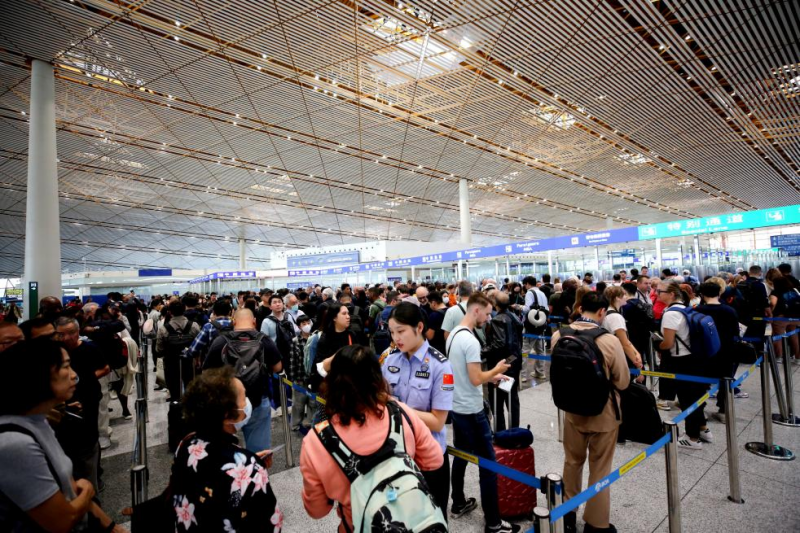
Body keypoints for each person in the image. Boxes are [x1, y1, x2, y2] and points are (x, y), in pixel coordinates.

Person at [300, 345, 444, 532]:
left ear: (332, 384)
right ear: (377, 378)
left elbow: (317, 510)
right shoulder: (399, 412)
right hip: (414, 521)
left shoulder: (317, 441)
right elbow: (434, 459)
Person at [0, 339, 126, 532]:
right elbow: (62, 521)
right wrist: (87, 491)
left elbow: (67, 486)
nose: (74, 375)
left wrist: (112, 527)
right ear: (37, 374)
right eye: (66, 367)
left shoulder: (39, 420)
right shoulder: (14, 442)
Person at [551, 292, 629, 533]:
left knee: (572, 461)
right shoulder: (609, 341)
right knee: (600, 468)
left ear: (580, 307)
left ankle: (567, 514)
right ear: (602, 312)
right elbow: (623, 381)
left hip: (571, 410)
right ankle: (596, 523)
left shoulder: (559, 335)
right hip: (603, 413)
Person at [169, 367, 282, 532]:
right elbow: (270, 524)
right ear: (228, 415)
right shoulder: (250, 469)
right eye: (243, 398)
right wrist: (250, 468)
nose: (247, 403)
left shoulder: (186, 444)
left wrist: (246, 464)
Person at [447, 292, 518, 533]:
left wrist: (491, 377)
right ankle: (494, 523)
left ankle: (458, 502)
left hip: (457, 405)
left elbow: (464, 374)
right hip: (472, 409)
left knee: (462, 454)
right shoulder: (471, 341)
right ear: (476, 310)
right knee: (488, 466)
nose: (488, 318)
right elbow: (476, 378)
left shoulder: (454, 334)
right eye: (487, 314)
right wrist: (495, 370)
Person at [383, 302, 454, 516]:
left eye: (401, 331)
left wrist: (396, 407)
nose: (396, 338)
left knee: (433, 519)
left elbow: (438, 422)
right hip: (396, 455)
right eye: (392, 332)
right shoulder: (390, 361)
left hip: (428, 458)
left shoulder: (440, 366)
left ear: (419, 327)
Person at [204, 309, 283, 452]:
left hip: (227, 401)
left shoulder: (221, 341)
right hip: (258, 398)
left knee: (222, 447)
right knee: (258, 450)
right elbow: (278, 367)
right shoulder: (263, 340)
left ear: (233, 321)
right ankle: (255, 465)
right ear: (254, 322)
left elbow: (206, 372)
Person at [54, 317, 108, 493]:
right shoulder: (56, 352)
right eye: (61, 334)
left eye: (71, 333)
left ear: (78, 332)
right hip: (66, 403)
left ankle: (95, 475)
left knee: (90, 437)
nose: (66, 338)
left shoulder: (90, 348)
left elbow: (105, 368)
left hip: (89, 399)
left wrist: (84, 379)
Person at [658, 282, 712, 449]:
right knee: (696, 396)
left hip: (681, 361)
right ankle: (703, 429)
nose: (658, 294)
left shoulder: (670, 314)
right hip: (695, 358)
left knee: (687, 399)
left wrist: (657, 345)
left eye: (660, 291)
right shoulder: (685, 308)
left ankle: (692, 438)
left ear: (671, 294)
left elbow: (668, 343)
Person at [695, 282, 743, 423]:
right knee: (726, 380)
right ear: (719, 293)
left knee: (700, 382)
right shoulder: (729, 310)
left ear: (702, 294)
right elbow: (736, 331)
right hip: (726, 351)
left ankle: (700, 410)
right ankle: (723, 410)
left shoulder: (697, 310)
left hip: (703, 352)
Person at [482, 291, 523, 429]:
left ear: (495, 303)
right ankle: (514, 429)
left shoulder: (497, 320)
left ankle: (501, 432)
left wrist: (481, 351)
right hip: (514, 362)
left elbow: (499, 343)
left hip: (501, 365)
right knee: (512, 399)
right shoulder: (514, 316)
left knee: (497, 400)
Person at [156, 300, 201, 402]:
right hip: (189, 362)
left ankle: (175, 402)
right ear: (184, 310)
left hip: (170, 363)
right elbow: (199, 345)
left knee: (173, 387)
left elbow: (159, 349)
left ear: (170, 312)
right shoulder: (194, 326)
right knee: (190, 386)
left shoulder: (163, 329)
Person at [310, 302, 354, 393]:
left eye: (348, 313)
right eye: (344, 314)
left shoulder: (351, 335)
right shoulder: (325, 339)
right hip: (332, 387)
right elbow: (320, 366)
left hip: (351, 385)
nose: (348, 317)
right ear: (334, 318)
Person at [602, 286, 643, 381]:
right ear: (617, 298)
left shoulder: (606, 312)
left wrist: (636, 352)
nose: (626, 297)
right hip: (619, 357)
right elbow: (624, 343)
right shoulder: (616, 317)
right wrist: (638, 365)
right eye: (624, 295)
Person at [520, 275, 550, 380]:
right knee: (540, 350)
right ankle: (540, 372)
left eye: (525, 285)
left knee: (525, 351)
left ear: (527, 284)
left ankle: (523, 376)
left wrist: (519, 307)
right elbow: (546, 309)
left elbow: (527, 309)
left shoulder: (529, 293)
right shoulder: (542, 293)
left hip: (531, 326)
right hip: (541, 325)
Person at [185, 300, 233, 364]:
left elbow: (193, 350)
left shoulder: (209, 326)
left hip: (213, 365)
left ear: (213, 312)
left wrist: (187, 353)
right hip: (233, 365)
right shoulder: (236, 325)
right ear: (229, 312)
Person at [288, 313, 313, 431]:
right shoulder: (295, 341)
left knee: (313, 402)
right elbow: (292, 360)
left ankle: (310, 422)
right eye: (303, 323)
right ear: (299, 326)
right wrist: (293, 378)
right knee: (298, 403)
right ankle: (295, 424)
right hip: (299, 376)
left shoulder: (315, 338)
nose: (307, 325)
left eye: (308, 323)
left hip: (312, 377)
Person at [425, 290, 448, 355]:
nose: (429, 306)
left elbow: (430, 336)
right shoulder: (450, 310)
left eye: (429, 304)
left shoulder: (434, 315)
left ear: (433, 303)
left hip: (438, 349)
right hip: (449, 345)